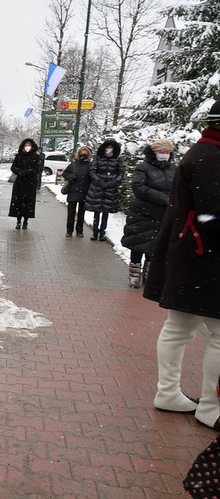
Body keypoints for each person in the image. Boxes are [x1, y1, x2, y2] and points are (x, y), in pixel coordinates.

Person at [143, 99, 220, 429]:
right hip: (206, 259)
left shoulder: (203, 152)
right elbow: (213, 215)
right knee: (218, 333)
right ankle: (211, 407)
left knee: (179, 328)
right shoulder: (212, 156)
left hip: (191, 255)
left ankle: (169, 392)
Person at [120, 139, 176, 288]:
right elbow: (138, 187)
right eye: (161, 152)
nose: (164, 155)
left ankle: (149, 276)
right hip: (143, 212)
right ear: (154, 152)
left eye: (167, 152)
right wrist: (163, 198)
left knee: (155, 246)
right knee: (138, 243)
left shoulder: (173, 169)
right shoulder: (143, 167)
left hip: (163, 214)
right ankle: (134, 274)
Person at [85, 138, 124, 241]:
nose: (109, 149)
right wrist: (99, 181)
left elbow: (121, 173)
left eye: (111, 147)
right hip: (97, 188)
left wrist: (114, 182)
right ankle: (95, 232)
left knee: (106, 212)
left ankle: (102, 232)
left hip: (110, 189)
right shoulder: (98, 158)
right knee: (96, 212)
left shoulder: (118, 159)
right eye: (108, 147)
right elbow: (92, 171)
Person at [8, 138, 41, 229]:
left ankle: (26, 220)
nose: (27, 147)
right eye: (26, 145)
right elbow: (13, 167)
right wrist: (19, 172)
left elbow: (37, 169)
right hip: (19, 182)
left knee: (28, 203)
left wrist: (27, 172)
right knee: (18, 202)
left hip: (30, 183)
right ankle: (18, 220)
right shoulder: (19, 156)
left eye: (29, 145)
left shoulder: (35, 156)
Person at [62, 147, 93, 237]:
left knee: (81, 214)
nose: (83, 155)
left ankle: (79, 231)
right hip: (73, 191)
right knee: (71, 213)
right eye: (82, 153)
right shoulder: (74, 164)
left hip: (84, 191)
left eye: (85, 153)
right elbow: (65, 173)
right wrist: (71, 176)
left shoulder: (90, 165)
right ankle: (69, 231)